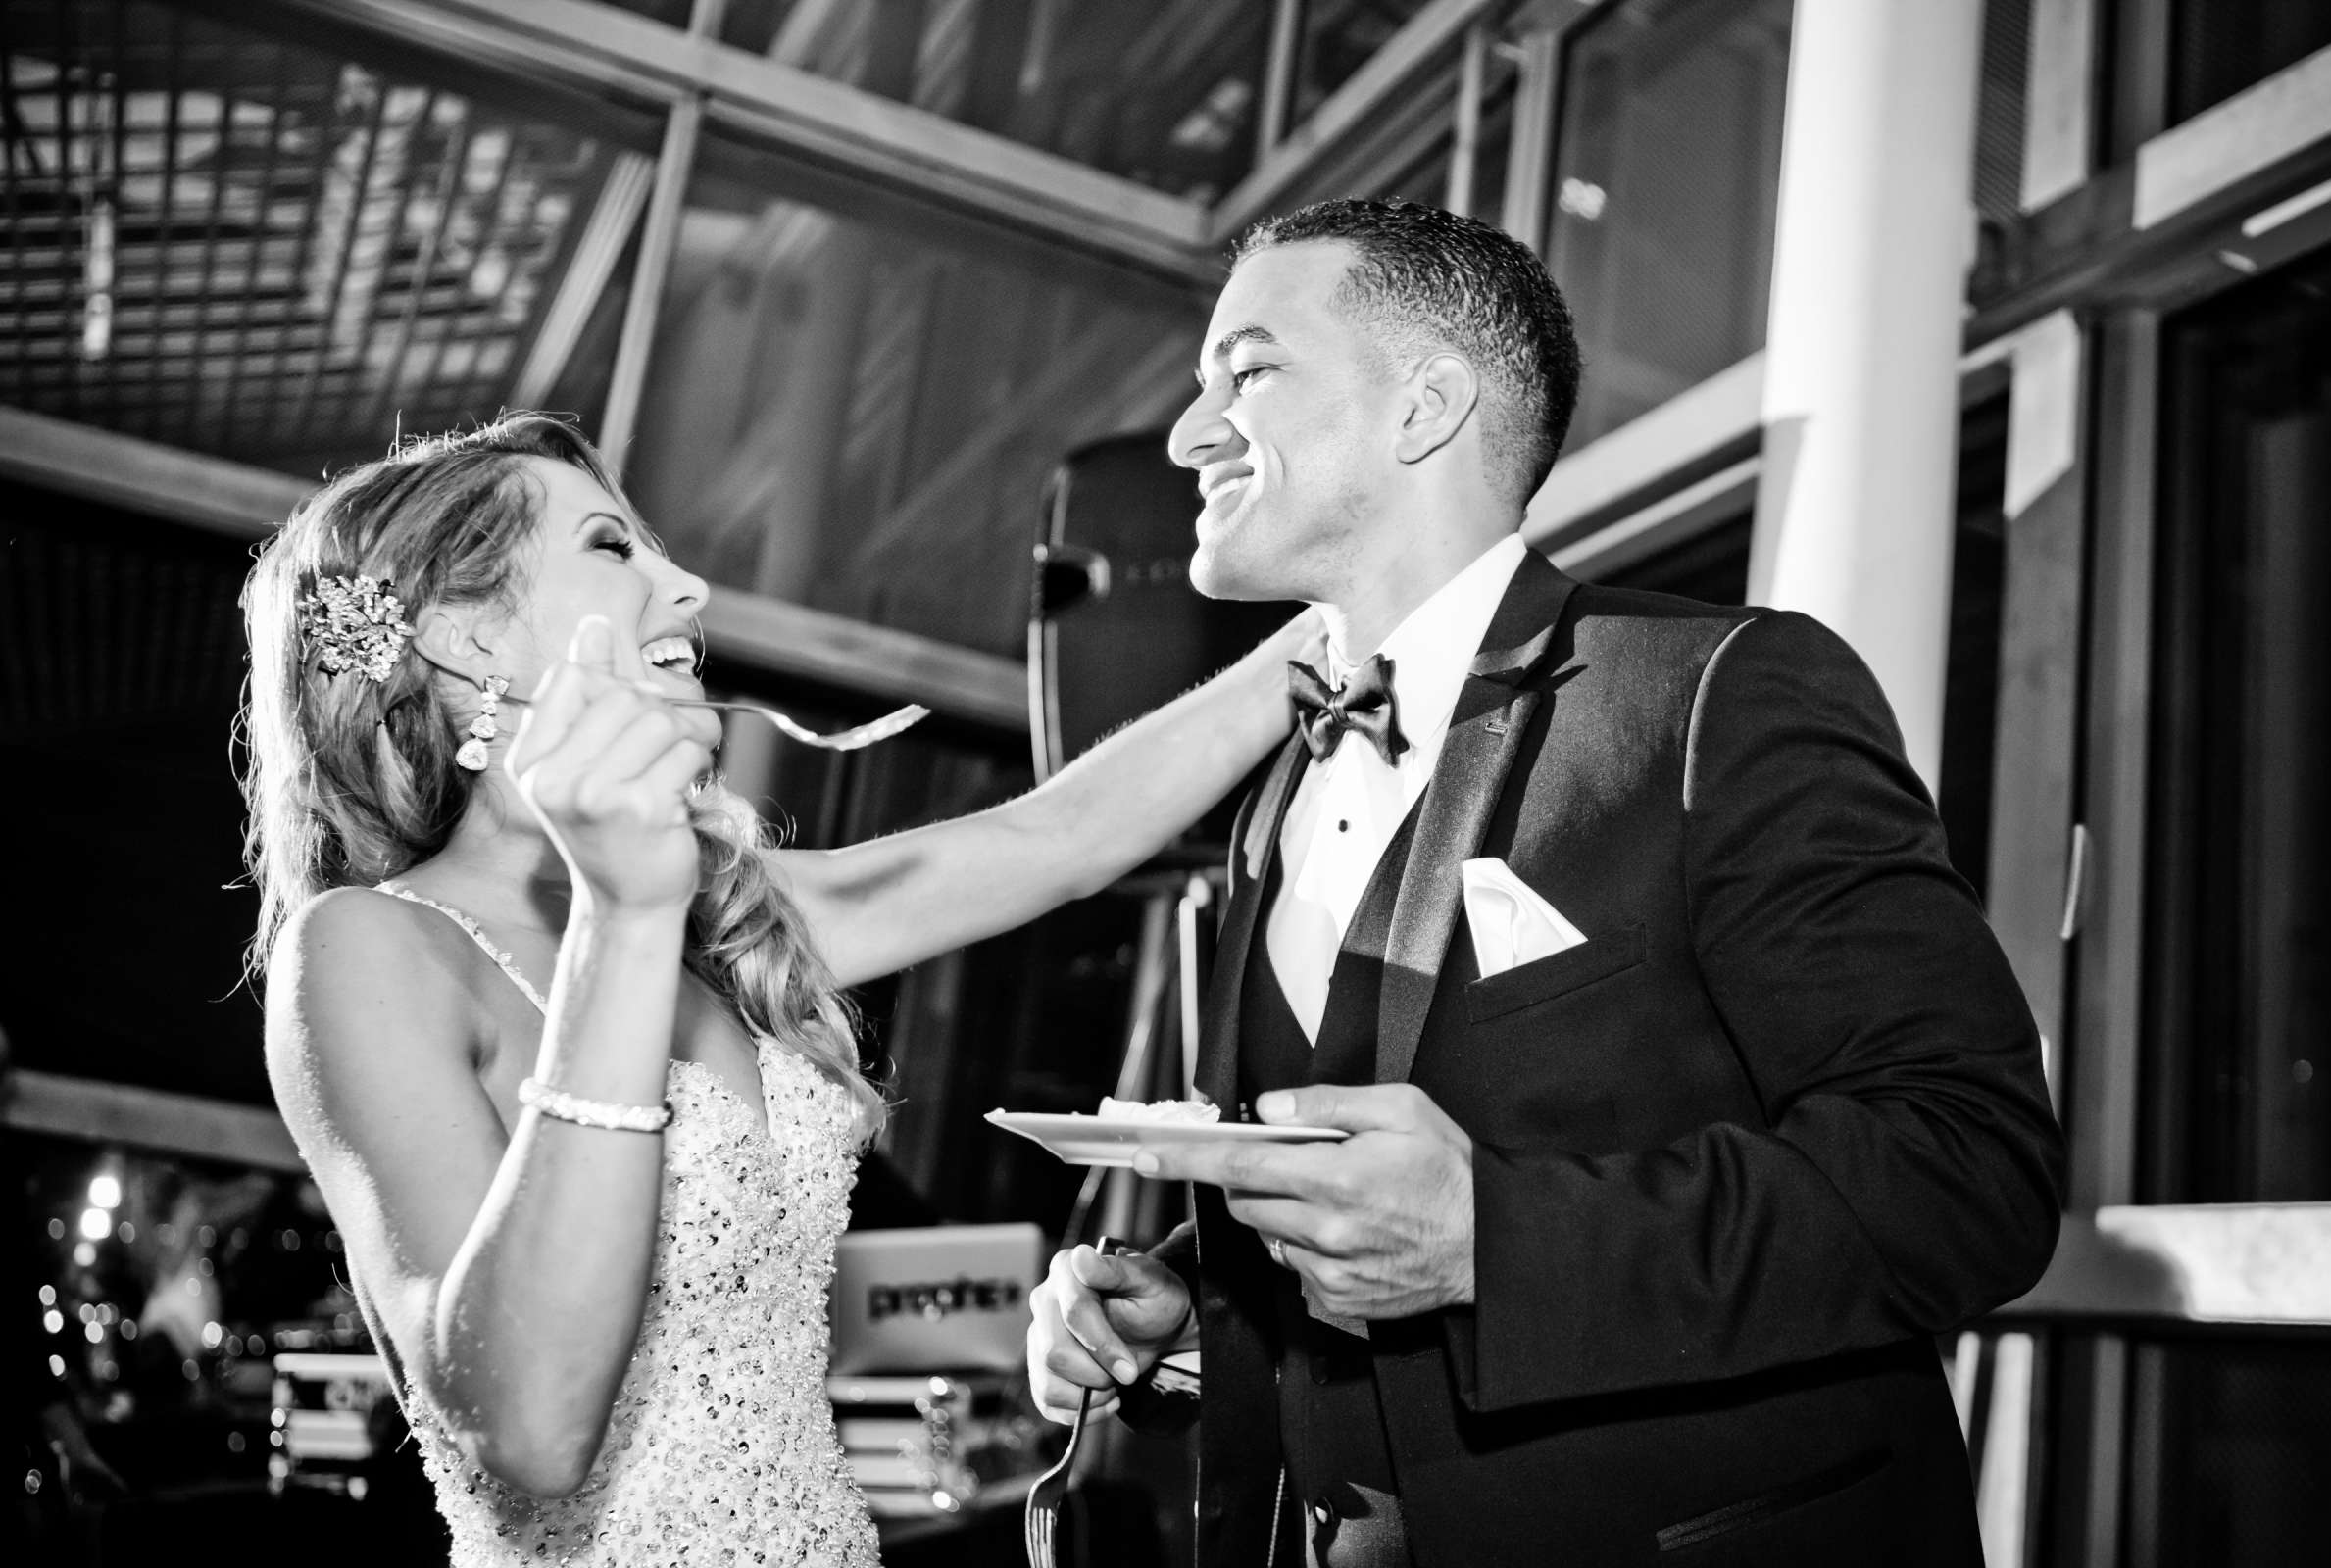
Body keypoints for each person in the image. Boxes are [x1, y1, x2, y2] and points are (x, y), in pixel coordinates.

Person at [1024, 198, 2064, 1566]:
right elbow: (1400, 1154)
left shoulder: (1711, 697)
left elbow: (1966, 1171)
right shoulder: (1277, 791)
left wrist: (1492, 1244)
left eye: (1250, 371)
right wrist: (1195, 1303)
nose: (1187, 433)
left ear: (1425, 409)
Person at [240, 413, 1314, 1567]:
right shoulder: (366, 950)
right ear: (466, 634)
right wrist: (624, 915)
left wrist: (1340, 635)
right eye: (614, 547)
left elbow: (1062, 837)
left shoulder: (726, 914)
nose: (689, 586)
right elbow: (533, 1433)